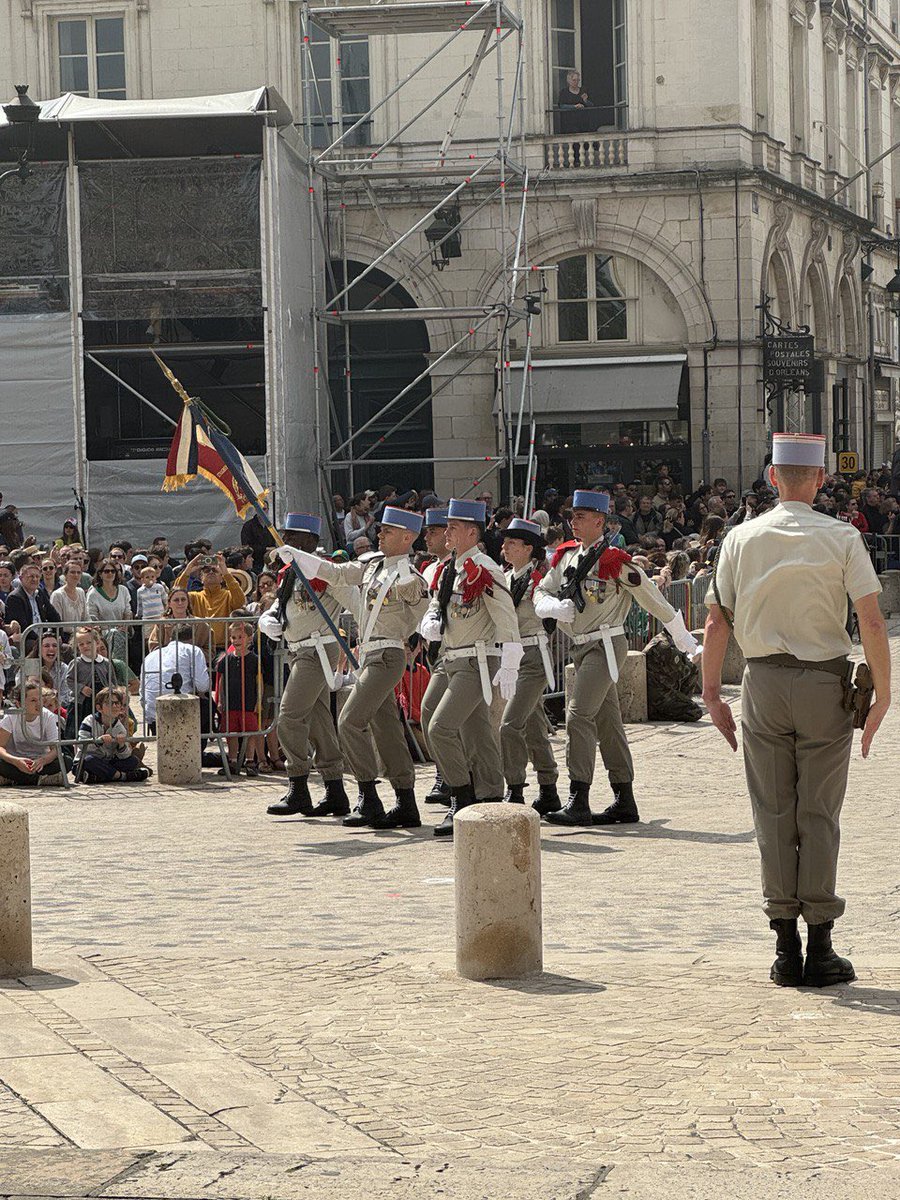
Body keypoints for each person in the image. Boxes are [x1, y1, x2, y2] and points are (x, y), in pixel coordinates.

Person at [702, 433, 891, 989]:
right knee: (819, 813)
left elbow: (717, 623)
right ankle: (822, 943)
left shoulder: (740, 538)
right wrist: (883, 693)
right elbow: (873, 622)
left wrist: (712, 694)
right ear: (820, 479)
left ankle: (785, 944)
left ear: (772, 478)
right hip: (823, 682)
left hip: (762, 681)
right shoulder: (841, 538)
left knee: (773, 813)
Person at [534, 490, 700, 826]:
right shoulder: (566, 557)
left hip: (604, 645)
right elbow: (542, 589)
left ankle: (578, 797)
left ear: (600, 521)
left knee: (578, 715)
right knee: (608, 724)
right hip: (581, 646)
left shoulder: (613, 561)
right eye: (571, 517)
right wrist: (550, 607)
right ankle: (625, 799)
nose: (573, 523)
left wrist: (685, 640)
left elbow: (652, 599)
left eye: (581, 517)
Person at [280, 506, 430, 829]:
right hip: (369, 657)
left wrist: (407, 587)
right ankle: (406, 800)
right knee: (386, 729)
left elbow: (421, 611)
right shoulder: (372, 566)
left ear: (407, 538)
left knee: (349, 720)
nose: (379, 534)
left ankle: (368, 795)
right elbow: (335, 574)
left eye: (387, 531)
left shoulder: (412, 578)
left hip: (388, 656)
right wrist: (298, 558)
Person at [419, 499, 522, 839]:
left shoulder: (485, 569)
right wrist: (431, 619)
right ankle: (490, 793)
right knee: (469, 728)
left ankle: (460, 797)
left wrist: (510, 661)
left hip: (477, 660)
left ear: (472, 532)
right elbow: (438, 603)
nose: (445, 532)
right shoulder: (452, 568)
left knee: (440, 728)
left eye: (452, 527)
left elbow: (505, 616)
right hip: (451, 657)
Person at [259, 513, 349, 818]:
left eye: (294, 536)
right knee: (320, 721)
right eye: (286, 535)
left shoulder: (325, 572)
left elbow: (354, 599)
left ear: (310, 541)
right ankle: (335, 790)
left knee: (289, 718)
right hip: (299, 651)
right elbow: (281, 605)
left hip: (316, 651)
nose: (287, 541)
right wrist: (269, 618)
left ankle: (298, 785)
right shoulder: (291, 572)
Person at [498, 518, 560, 809]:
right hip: (512, 655)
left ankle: (515, 787)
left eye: (512, 543)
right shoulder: (504, 577)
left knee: (509, 726)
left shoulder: (539, 580)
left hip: (532, 655)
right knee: (534, 726)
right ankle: (549, 789)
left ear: (528, 548)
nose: (505, 547)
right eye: (505, 542)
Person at [214, 617, 265, 776]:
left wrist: (258, 701)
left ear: (249, 638)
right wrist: (220, 699)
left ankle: (250, 760)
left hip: (248, 701)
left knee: (249, 732)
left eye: (240, 637)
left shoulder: (254, 660)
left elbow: (259, 682)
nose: (236, 640)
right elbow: (221, 681)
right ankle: (232, 760)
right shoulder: (226, 659)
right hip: (230, 701)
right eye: (233, 637)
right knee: (231, 733)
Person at [140, 623, 212, 732]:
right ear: (192, 639)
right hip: (182, 714)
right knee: (208, 704)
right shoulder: (193, 650)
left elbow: (142, 693)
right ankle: (200, 744)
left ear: (171, 638)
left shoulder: (151, 656)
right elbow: (202, 686)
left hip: (154, 716)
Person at [0, 679, 70, 785]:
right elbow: (1, 747)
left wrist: (43, 760)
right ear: (19, 704)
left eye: (40, 700)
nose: (39, 704)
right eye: (33, 701)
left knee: (66, 761)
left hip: (40, 762)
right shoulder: (11, 717)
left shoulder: (48, 716)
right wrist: (16, 761)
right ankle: (40, 780)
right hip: (16, 761)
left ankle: (16, 779)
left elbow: (55, 749)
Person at [173, 552, 244, 650]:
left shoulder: (228, 595)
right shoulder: (194, 597)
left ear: (221, 578)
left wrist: (225, 571)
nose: (211, 572)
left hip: (224, 647)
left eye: (214, 570)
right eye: (206, 570)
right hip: (200, 647)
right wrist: (188, 569)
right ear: (201, 578)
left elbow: (240, 601)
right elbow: (176, 593)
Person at [77, 686, 148, 783]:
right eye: (110, 703)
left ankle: (98, 777)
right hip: (88, 761)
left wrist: (122, 745)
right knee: (89, 761)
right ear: (99, 708)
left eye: (117, 703)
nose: (114, 706)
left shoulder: (120, 727)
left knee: (132, 761)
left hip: (107, 762)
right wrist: (99, 741)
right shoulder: (89, 721)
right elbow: (81, 744)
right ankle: (123, 776)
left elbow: (125, 756)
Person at [4, 562, 62, 655]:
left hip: (43, 637)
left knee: (66, 648)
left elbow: (54, 615)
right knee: (41, 647)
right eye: (31, 576)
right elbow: (24, 627)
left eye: (37, 577)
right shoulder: (15, 598)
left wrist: (57, 635)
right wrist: (43, 640)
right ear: (21, 578)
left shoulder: (40, 593)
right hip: (27, 639)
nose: (34, 579)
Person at [86, 559, 132, 661]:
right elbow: (92, 616)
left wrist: (124, 625)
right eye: (106, 571)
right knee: (113, 633)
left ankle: (118, 665)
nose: (110, 573)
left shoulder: (123, 590)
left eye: (113, 571)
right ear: (100, 574)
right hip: (102, 633)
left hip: (121, 632)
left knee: (116, 634)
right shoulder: (93, 594)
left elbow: (127, 611)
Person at [51, 560, 88, 627]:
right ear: (65, 575)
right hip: (65, 635)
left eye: (78, 572)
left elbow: (86, 617)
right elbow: (57, 623)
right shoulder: (57, 595)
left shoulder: (81, 592)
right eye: (72, 572)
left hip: (82, 634)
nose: (76, 575)